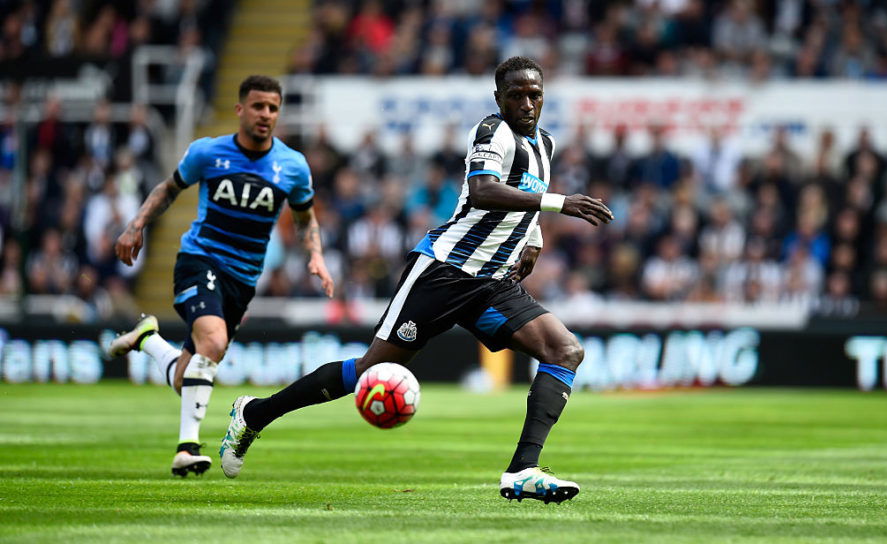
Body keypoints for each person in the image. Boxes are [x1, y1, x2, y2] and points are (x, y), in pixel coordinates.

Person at [219, 57, 614, 503]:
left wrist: (535, 238)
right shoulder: (491, 133)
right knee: (372, 369)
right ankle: (254, 414)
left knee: (565, 349)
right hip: (444, 272)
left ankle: (522, 470)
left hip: (493, 282)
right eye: (516, 95)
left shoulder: (545, 142)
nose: (527, 104)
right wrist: (559, 205)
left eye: (534, 95)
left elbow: (524, 190)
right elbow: (483, 191)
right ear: (498, 99)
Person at [107, 75, 334, 477]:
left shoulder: (292, 166)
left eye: (273, 108)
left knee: (188, 376)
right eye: (259, 106)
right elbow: (168, 189)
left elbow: (304, 217)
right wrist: (136, 224)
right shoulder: (208, 153)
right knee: (213, 340)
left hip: (243, 280)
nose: (266, 115)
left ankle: (148, 340)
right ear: (240, 109)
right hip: (200, 259)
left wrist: (315, 255)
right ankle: (186, 448)